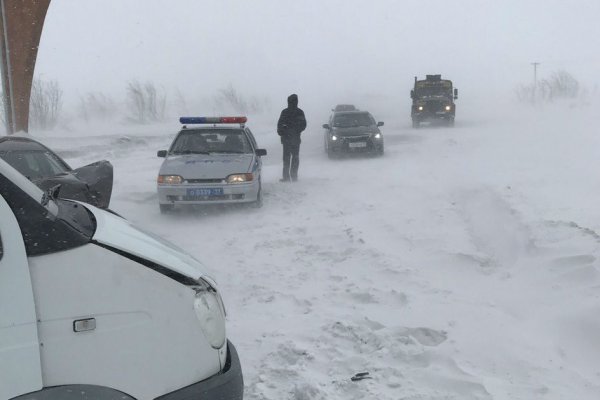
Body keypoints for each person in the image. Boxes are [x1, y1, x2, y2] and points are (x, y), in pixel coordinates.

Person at [277, 94, 306, 182]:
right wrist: (296, 131)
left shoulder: (285, 112)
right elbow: (303, 125)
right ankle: (293, 176)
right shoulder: (299, 112)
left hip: (288, 139)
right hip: (294, 139)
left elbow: (279, 125)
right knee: (294, 157)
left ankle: (287, 177)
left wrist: (283, 131)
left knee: (287, 158)